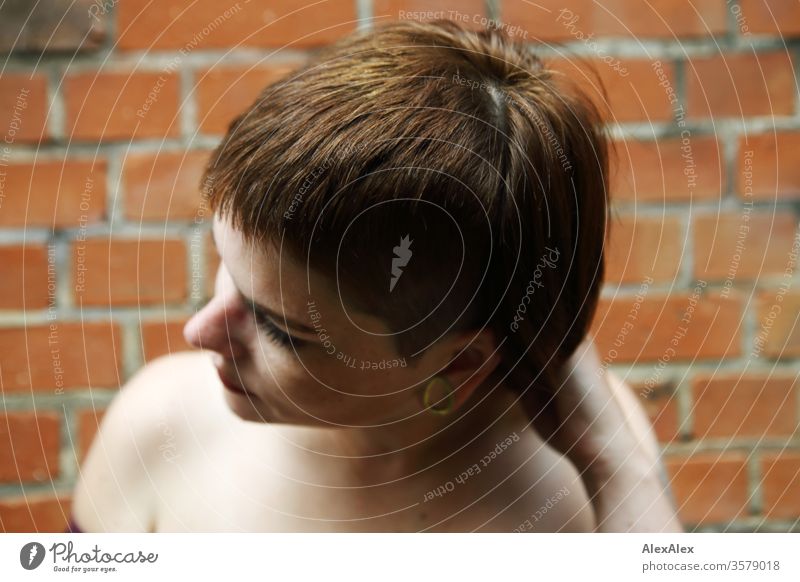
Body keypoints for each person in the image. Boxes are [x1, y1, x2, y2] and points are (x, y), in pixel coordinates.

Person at [69, 19, 682, 533]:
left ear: (458, 364)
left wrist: (620, 469)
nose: (199, 332)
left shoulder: (580, 493)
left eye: (280, 329)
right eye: (227, 273)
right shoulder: (161, 427)